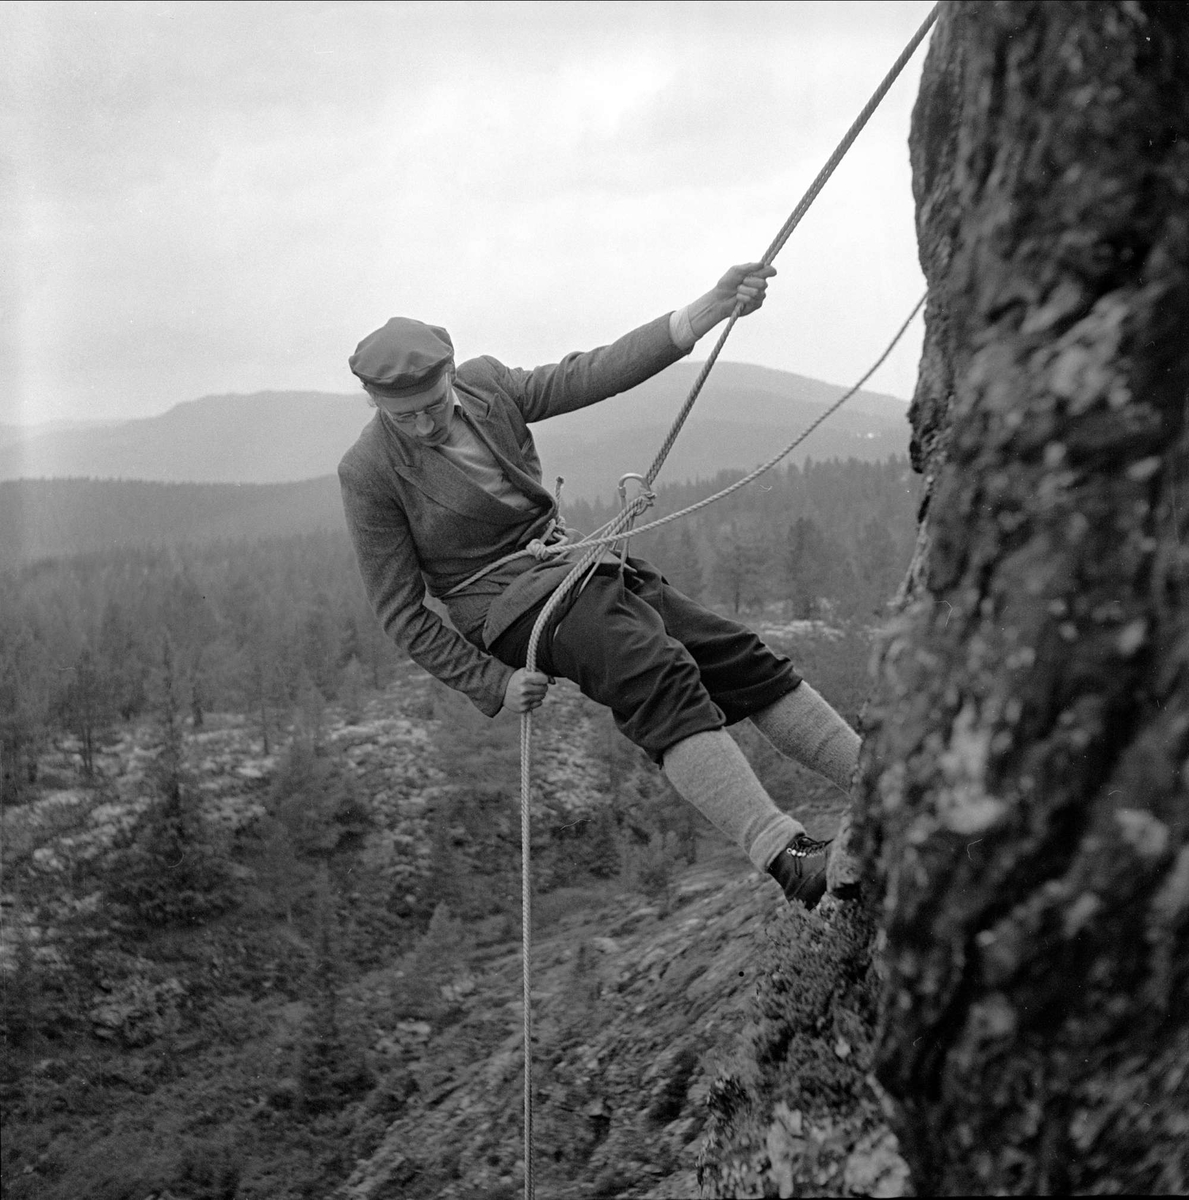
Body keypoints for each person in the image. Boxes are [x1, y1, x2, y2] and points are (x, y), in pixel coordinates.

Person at [338, 263, 860, 907]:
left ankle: (879, 784)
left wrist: (704, 311)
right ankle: (788, 856)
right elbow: (400, 613)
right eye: (402, 418)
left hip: (579, 565)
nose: (422, 426)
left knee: (734, 655)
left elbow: (586, 375)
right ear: (376, 406)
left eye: (430, 407)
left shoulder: (487, 386)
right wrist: (492, 681)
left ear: (450, 376)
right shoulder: (367, 472)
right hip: (504, 609)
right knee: (653, 671)